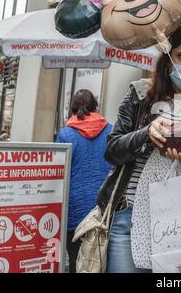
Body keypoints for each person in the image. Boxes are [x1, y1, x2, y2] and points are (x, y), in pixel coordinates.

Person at [97, 24, 181, 273]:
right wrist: (147, 134)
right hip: (131, 214)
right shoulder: (140, 95)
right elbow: (112, 151)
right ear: (168, 60)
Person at [56, 89, 113, 273]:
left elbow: (59, 174)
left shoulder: (65, 135)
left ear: (73, 109)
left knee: (76, 261)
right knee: (104, 260)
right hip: (105, 210)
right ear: (96, 107)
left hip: (75, 212)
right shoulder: (111, 131)